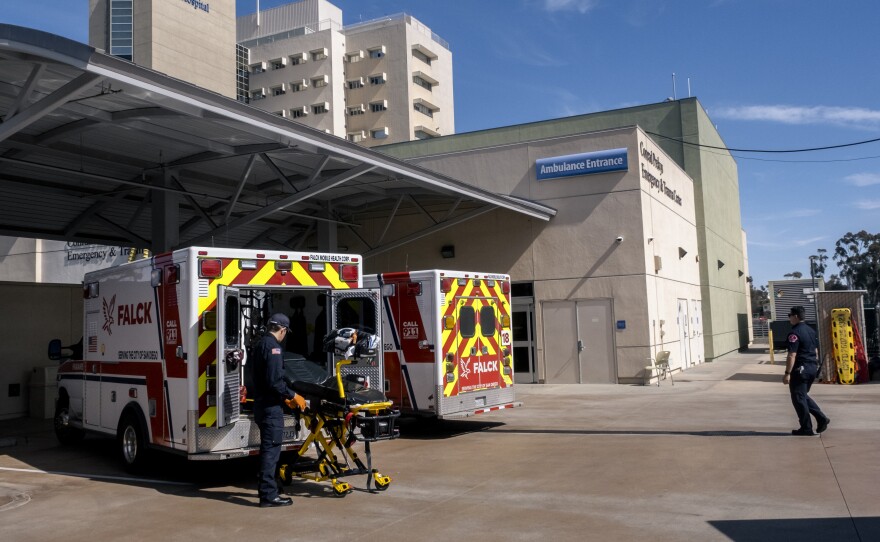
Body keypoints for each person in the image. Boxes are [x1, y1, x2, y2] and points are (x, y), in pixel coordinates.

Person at [252, 313, 306, 507]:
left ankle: (270, 487)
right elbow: (275, 381)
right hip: (270, 407)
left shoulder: (260, 344)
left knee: (269, 449)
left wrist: (285, 396)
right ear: (282, 330)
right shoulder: (274, 347)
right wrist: (292, 395)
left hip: (261, 404)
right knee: (271, 450)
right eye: (285, 332)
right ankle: (268, 495)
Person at [784, 306, 830, 436]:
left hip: (800, 369)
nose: (789, 318)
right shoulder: (810, 330)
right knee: (802, 396)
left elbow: (792, 355)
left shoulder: (794, 333)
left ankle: (806, 427)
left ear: (796, 316)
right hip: (811, 367)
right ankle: (821, 419)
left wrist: (787, 373)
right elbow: (815, 351)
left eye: (790, 315)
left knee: (798, 398)